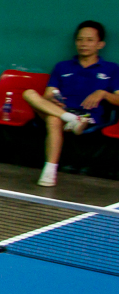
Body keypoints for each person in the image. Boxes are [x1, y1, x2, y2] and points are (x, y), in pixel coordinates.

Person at [23, 20, 119, 187]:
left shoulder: (112, 69)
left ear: (100, 44)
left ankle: (49, 172)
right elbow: (48, 95)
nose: (83, 44)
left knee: (53, 119)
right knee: (29, 94)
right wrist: (52, 100)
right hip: (62, 110)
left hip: (87, 116)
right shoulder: (62, 66)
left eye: (89, 40)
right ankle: (70, 119)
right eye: (80, 40)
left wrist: (103, 93)